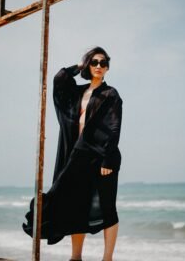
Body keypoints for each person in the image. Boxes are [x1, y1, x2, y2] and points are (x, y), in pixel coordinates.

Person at [23, 46, 123, 261]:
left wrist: (107, 159)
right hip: (76, 158)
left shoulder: (110, 94)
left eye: (103, 63)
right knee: (76, 206)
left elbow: (114, 128)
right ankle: (75, 257)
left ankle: (108, 259)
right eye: (94, 62)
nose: (99, 66)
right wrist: (79, 65)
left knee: (107, 208)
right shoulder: (78, 92)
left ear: (107, 67)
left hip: (102, 158)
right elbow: (59, 80)